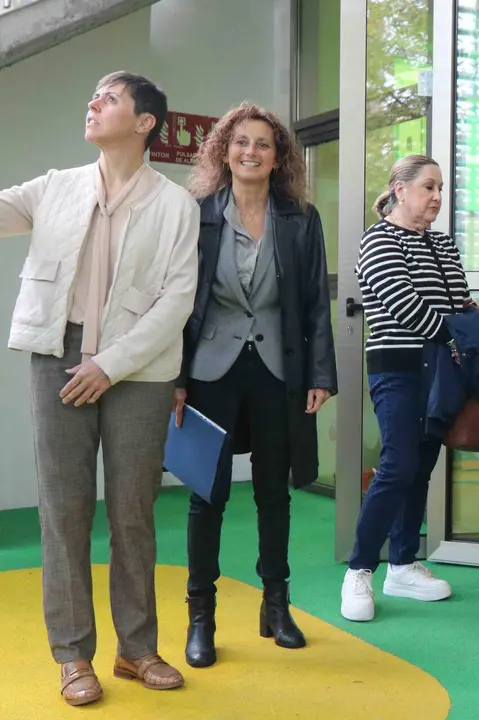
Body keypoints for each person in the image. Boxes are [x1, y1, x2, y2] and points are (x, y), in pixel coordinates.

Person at [0, 71, 197, 706]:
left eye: (109, 98)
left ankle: (136, 649)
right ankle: (73, 656)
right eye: (93, 96)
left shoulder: (176, 205)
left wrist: (110, 363)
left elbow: (176, 302)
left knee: (134, 513)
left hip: (138, 370)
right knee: (64, 512)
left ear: (145, 123)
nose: (94, 104)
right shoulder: (55, 187)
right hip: (57, 355)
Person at [177, 104, 337, 666]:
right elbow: (174, 302)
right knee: (207, 495)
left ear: (278, 157)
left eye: (263, 144)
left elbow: (317, 301)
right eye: (241, 142)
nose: (251, 151)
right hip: (208, 371)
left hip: (278, 369)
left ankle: (276, 604)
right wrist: (174, 379)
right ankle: (201, 617)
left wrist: (321, 373)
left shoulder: (299, 218)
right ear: (224, 150)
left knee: (274, 492)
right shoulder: (196, 214)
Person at [341, 155, 471, 623]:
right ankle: (359, 569)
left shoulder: (443, 245)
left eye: (441, 189)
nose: (437, 197)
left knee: (421, 468)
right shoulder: (377, 240)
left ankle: (402, 564)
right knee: (397, 466)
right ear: (400, 190)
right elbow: (402, 304)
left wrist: (474, 329)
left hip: (439, 372)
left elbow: (461, 300)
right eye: (428, 188)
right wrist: (459, 336)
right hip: (396, 369)